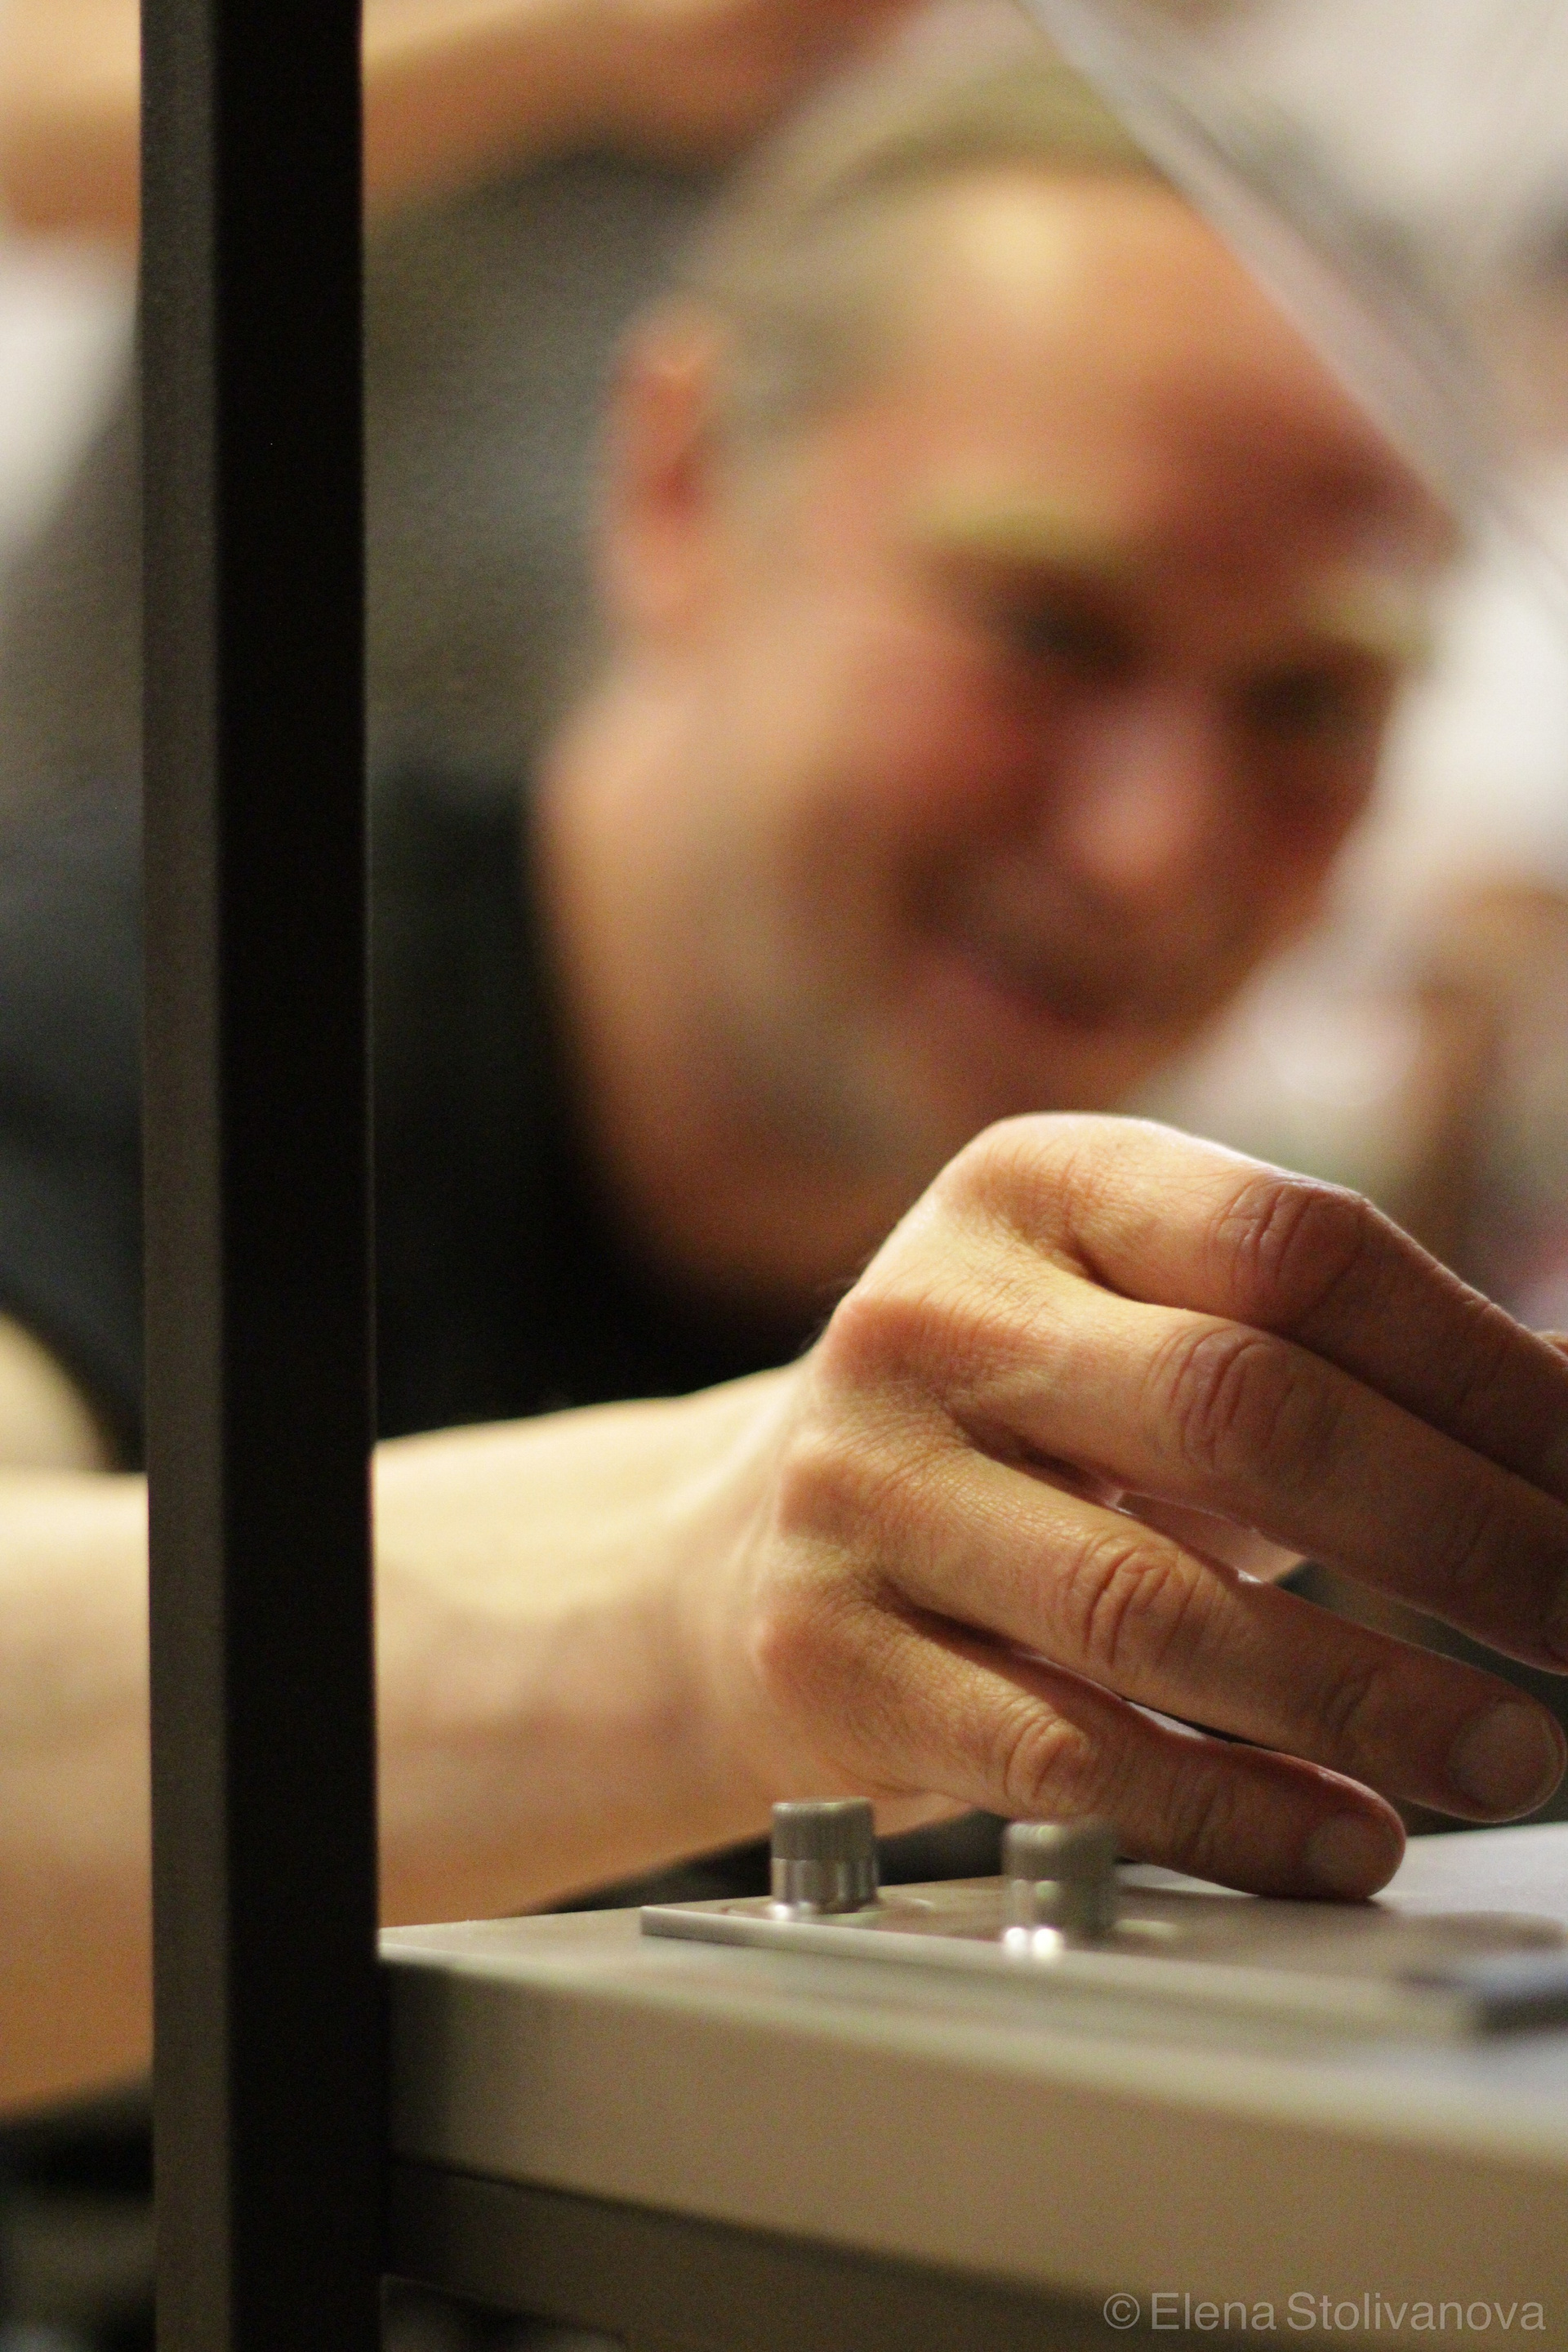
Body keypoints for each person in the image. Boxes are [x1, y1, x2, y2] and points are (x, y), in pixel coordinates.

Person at [2, 54, 1567, 2133]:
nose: (1151, 851)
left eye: (1310, 702)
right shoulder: (171, 1007)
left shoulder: (1252, 1389)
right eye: (1046, 627)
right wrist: (707, 1596)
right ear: (677, 481)